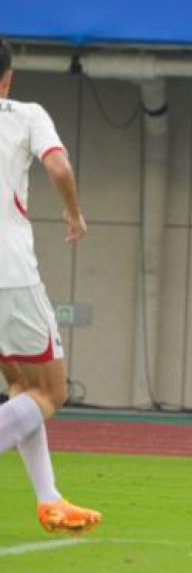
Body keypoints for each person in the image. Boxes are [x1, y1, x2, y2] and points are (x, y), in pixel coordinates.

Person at [0, 39, 101, 535]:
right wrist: (74, 212)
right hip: (9, 274)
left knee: (21, 386)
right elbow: (58, 165)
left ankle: (49, 500)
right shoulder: (25, 114)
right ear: (8, 77)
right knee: (50, 391)